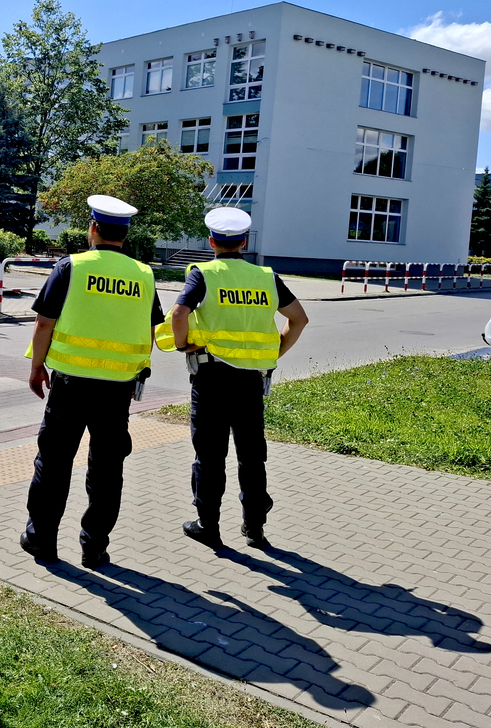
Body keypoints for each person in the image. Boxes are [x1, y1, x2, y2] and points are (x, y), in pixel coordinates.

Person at [19, 195, 164, 569]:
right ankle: (94, 547)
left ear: (93, 229)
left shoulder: (72, 267)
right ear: (124, 235)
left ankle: (42, 541)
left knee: (53, 463)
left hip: (70, 385)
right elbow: (150, 331)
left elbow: (45, 323)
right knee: (107, 468)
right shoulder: (144, 274)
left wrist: (37, 368)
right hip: (118, 389)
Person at [156, 207, 309, 549]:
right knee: (251, 455)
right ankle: (254, 528)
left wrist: (182, 345)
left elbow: (179, 312)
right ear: (243, 242)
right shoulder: (266, 276)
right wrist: (272, 354)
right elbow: (299, 319)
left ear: (212, 242)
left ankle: (207, 525)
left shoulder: (204, 274)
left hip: (211, 377)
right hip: (251, 381)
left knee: (210, 455)